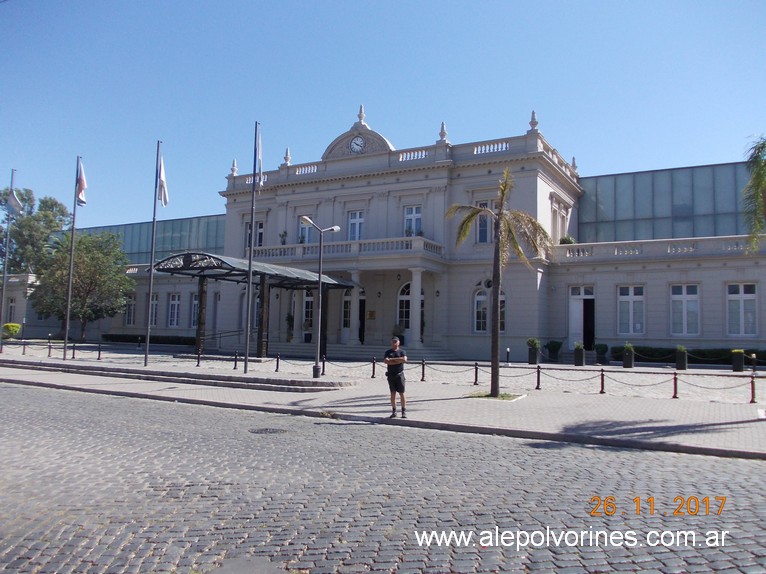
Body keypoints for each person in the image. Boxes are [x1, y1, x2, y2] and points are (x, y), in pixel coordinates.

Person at [384, 336, 408, 418]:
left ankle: (403, 411)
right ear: (391, 342)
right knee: (393, 394)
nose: (394, 343)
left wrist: (392, 360)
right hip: (391, 375)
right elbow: (386, 361)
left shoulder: (402, 351)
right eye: (393, 341)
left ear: (399, 342)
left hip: (399, 375)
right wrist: (398, 360)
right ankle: (394, 411)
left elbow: (404, 360)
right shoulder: (388, 352)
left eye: (396, 341)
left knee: (402, 393)